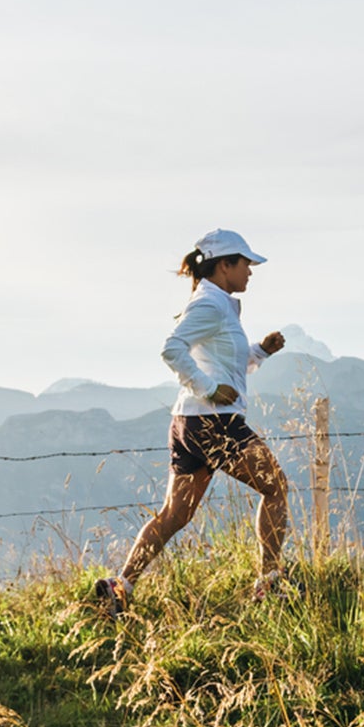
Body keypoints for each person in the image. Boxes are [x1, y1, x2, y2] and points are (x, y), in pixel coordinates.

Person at [95, 228, 292, 615]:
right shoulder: (210, 305)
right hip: (215, 421)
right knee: (276, 488)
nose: (250, 271)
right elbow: (172, 349)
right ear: (224, 266)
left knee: (176, 514)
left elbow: (222, 363)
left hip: (189, 422)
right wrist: (209, 389)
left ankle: (120, 587)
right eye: (246, 264)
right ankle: (269, 584)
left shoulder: (219, 304)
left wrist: (260, 351)